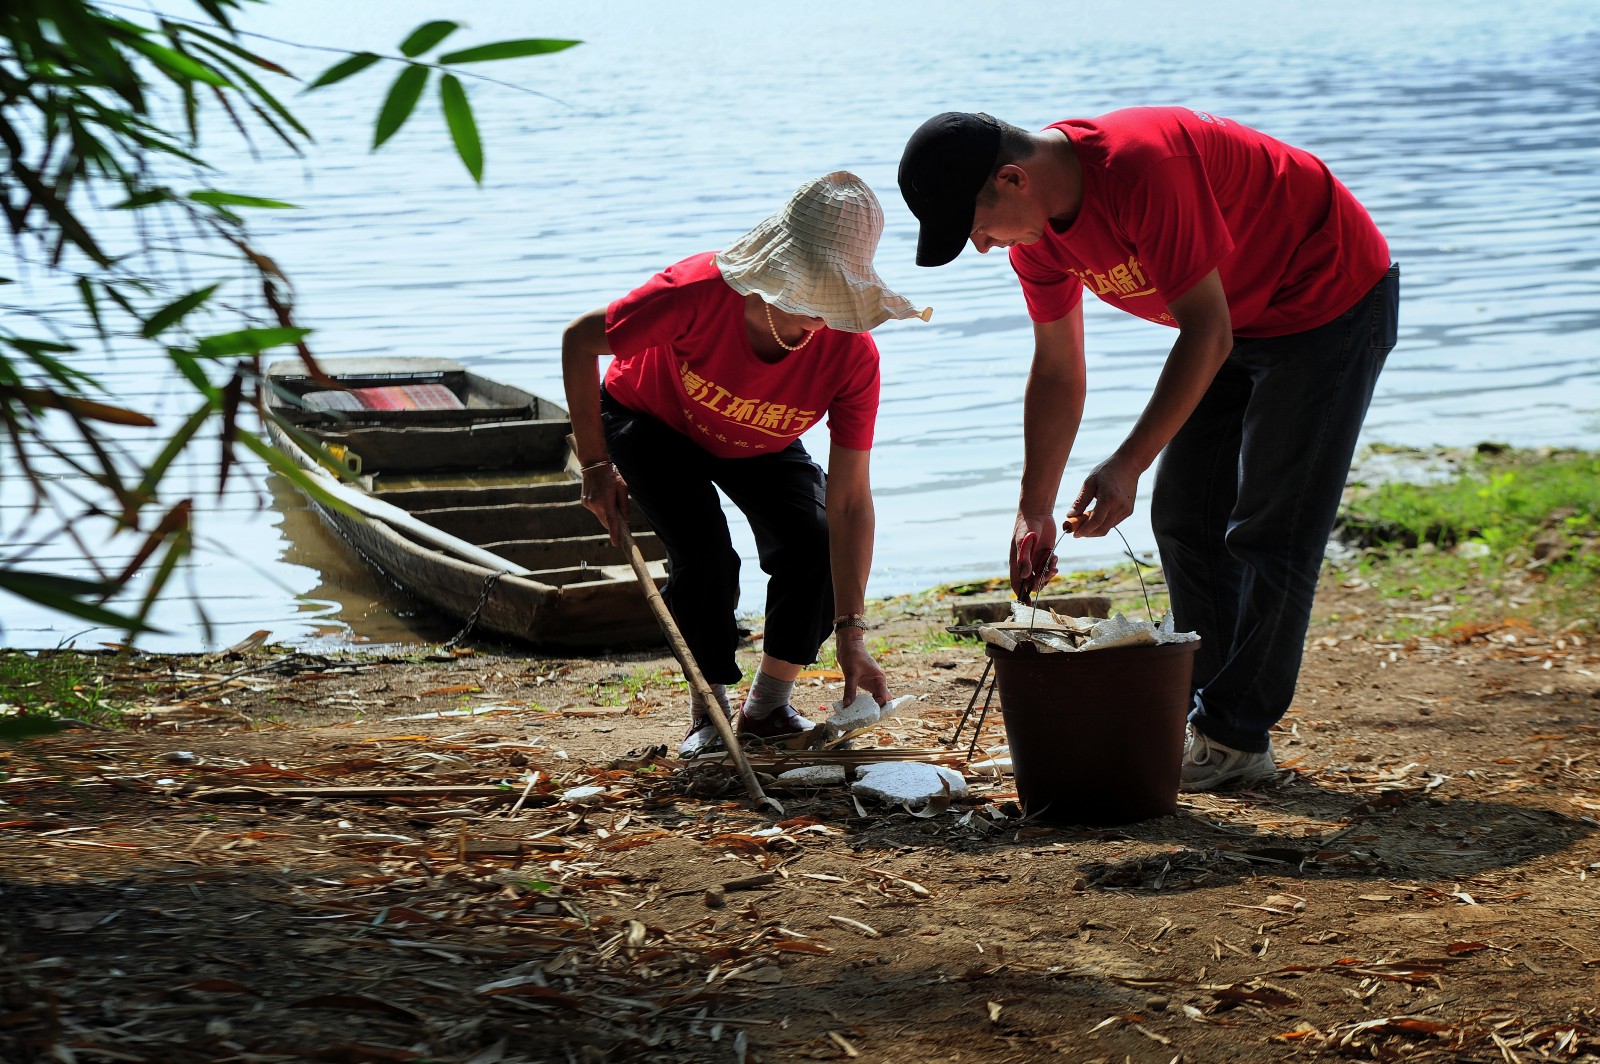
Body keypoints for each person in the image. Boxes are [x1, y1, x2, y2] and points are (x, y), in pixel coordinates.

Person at [898, 107, 1398, 791]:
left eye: (975, 227)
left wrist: (1126, 463)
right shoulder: (1037, 239)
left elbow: (1206, 332)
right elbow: (1057, 367)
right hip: (1233, 316)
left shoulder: (1141, 168)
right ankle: (1205, 719)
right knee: (1185, 517)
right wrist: (1033, 509)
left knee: (1271, 531)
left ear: (1014, 179)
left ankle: (1234, 737)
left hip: (1327, 299)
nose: (982, 246)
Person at [562, 171, 929, 758]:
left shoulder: (852, 356)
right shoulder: (694, 291)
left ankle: (767, 707)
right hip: (650, 419)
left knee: (814, 539)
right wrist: (595, 465)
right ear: (767, 275)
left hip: (761, 435)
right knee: (706, 556)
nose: (820, 317)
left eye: (835, 300)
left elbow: (852, 501)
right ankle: (706, 709)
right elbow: (580, 341)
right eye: (809, 295)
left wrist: (852, 631)